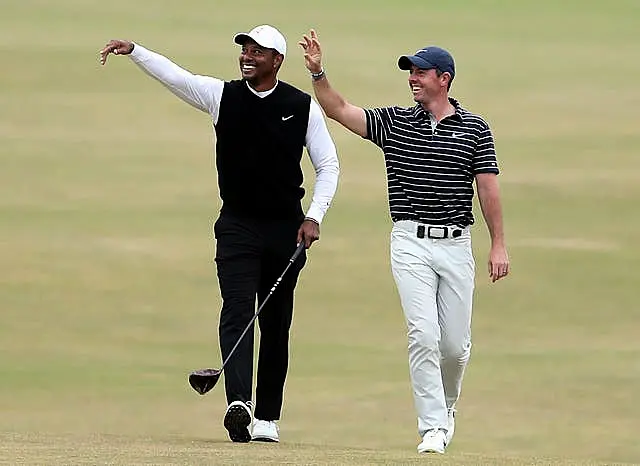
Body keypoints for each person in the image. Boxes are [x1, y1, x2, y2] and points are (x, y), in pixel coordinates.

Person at [99, 25, 339, 444]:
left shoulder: (301, 107)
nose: (247, 56)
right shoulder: (222, 95)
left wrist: (313, 217)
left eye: (257, 51)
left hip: (286, 229)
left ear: (276, 61)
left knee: (276, 324)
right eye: (244, 49)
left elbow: (329, 166)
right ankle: (240, 404)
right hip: (237, 225)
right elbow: (176, 77)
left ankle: (267, 417)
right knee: (237, 308)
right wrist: (135, 50)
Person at [299, 30, 509, 454]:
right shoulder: (396, 122)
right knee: (423, 335)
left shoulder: (474, 129)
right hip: (410, 241)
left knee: (454, 346)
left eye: (420, 72)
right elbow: (339, 110)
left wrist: (498, 244)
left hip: (455, 243)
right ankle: (432, 426)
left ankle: (447, 407)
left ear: (444, 78)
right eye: (410, 72)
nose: (412, 78)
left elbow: (487, 188)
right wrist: (319, 72)